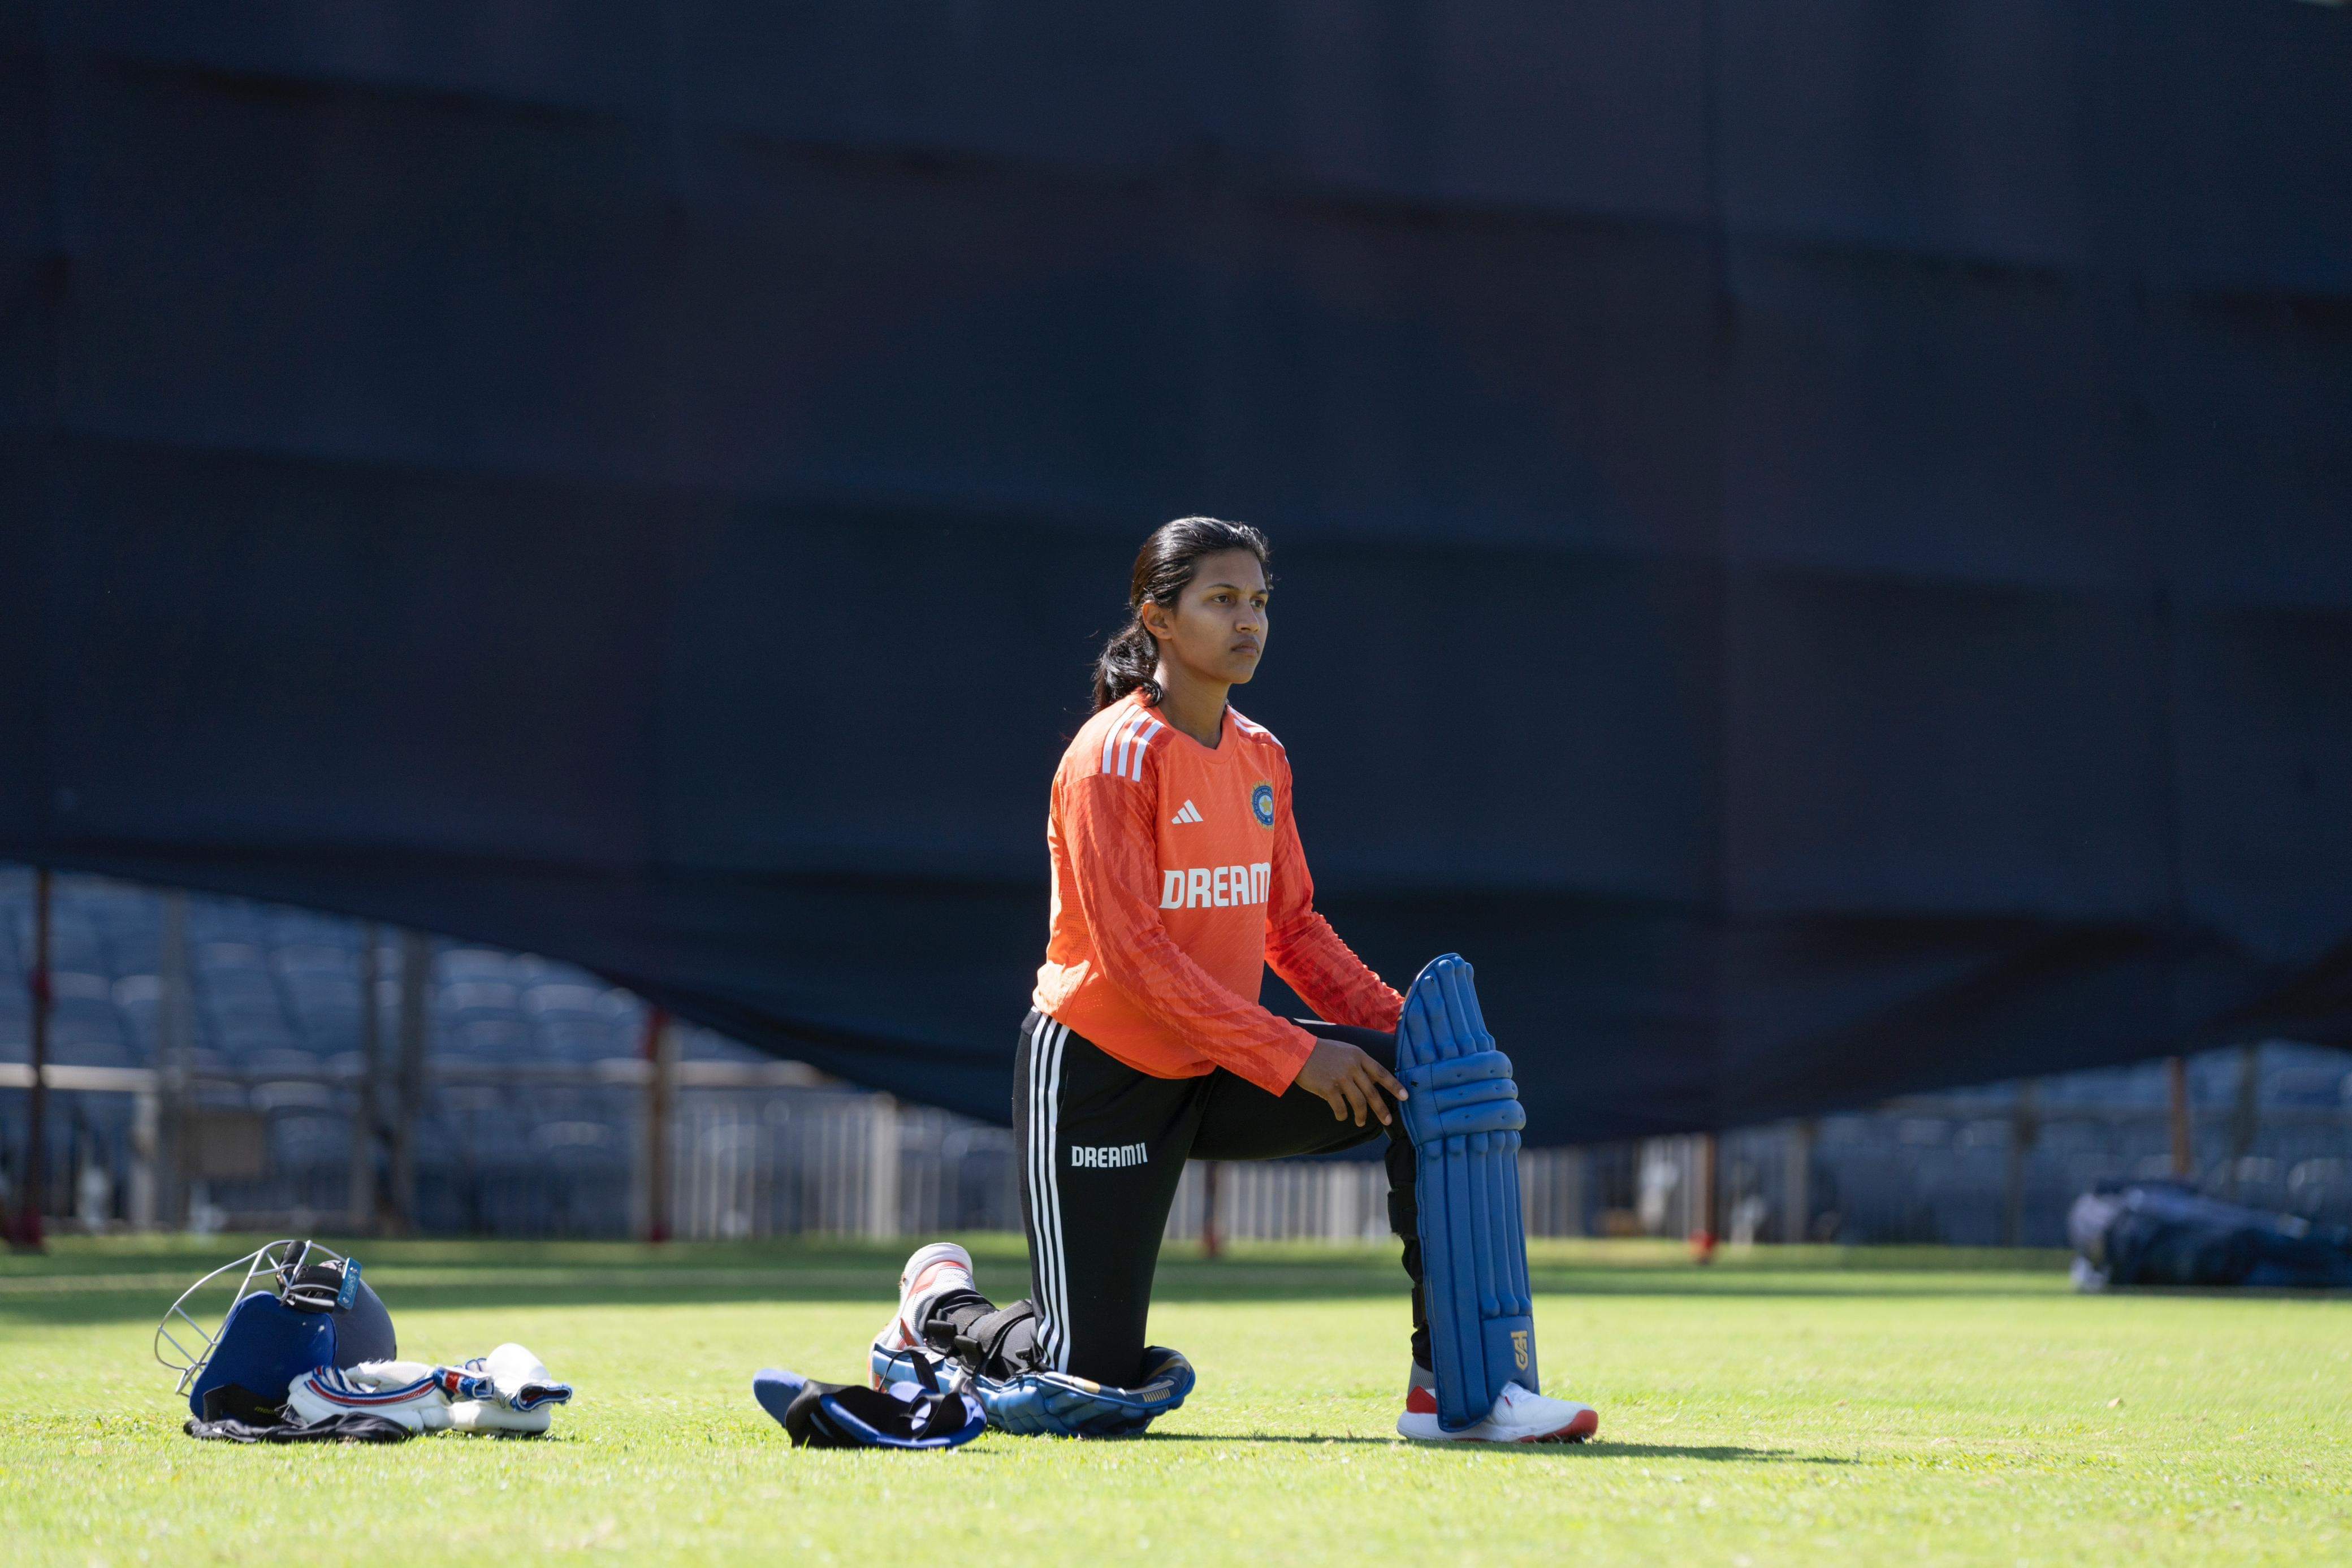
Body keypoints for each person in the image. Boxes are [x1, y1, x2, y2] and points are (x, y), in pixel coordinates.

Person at [871, 517, 1597, 1443]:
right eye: (1221, 599)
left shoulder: (1261, 754)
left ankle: (1451, 1390)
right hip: (1100, 1072)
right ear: (1158, 618)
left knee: (1430, 1094)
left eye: (1258, 601)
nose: (1248, 620)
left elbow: (1291, 929)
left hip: (1220, 1060)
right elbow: (1134, 962)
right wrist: (1296, 1054)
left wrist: (1412, 1031)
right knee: (1090, 1376)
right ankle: (934, 1311)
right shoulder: (1110, 757)